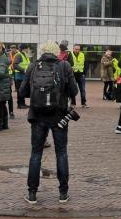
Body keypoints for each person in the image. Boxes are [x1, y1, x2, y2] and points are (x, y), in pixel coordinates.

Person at [19, 40, 78, 204]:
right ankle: (63, 193)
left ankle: (32, 193)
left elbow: (22, 91)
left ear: (42, 52)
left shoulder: (32, 66)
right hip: (59, 116)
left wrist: (39, 94)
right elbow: (75, 90)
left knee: (36, 153)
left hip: (37, 115)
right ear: (57, 52)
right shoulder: (65, 66)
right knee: (61, 153)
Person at [13, 44, 31, 109]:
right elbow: (15, 65)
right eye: (27, 48)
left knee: (23, 90)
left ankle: (23, 103)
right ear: (24, 49)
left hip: (24, 76)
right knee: (19, 90)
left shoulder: (25, 55)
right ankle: (19, 104)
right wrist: (24, 70)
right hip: (19, 76)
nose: (28, 50)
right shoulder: (18, 55)